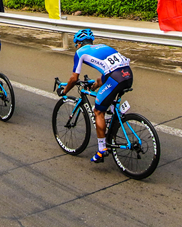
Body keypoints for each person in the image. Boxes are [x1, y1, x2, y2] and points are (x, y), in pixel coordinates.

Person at [56, 29, 132, 163]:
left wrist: (64, 92)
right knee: (108, 102)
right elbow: (107, 72)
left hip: (115, 78)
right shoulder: (103, 46)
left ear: (79, 43)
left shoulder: (80, 52)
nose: (76, 47)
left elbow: (74, 79)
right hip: (127, 75)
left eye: (76, 44)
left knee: (98, 111)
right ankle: (112, 121)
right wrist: (95, 85)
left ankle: (102, 149)